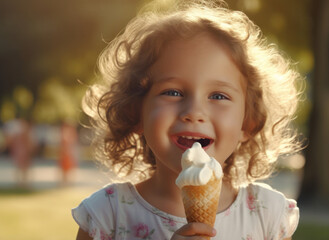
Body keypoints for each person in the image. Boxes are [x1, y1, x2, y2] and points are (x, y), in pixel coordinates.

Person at [73, 1, 302, 239]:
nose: (194, 111)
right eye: (172, 92)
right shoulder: (106, 215)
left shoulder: (267, 216)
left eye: (218, 96)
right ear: (136, 112)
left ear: (248, 122)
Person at [4, 118, 34, 188]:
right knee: (21, 167)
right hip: (21, 152)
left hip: (23, 152)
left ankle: (23, 182)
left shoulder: (22, 134)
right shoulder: (20, 134)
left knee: (24, 167)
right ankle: (21, 182)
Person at [59, 121, 79, 186]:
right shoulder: (65, 134)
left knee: (69, 166)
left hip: (69, 152)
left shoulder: (69, 134)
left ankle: (67, 181)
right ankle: (65, 181)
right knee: (65, 167)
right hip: (66, 153)